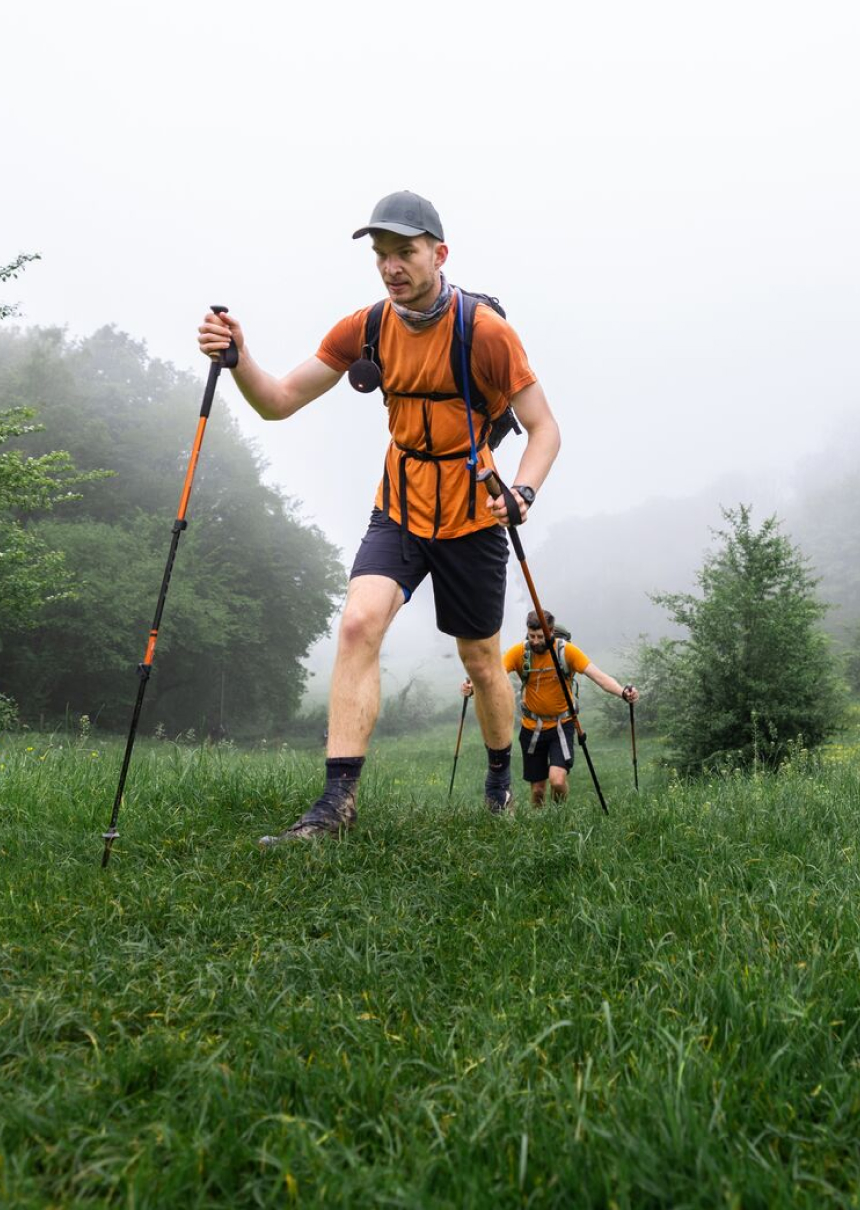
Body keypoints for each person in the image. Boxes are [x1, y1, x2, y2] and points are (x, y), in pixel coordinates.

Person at [198, 191, 561, 841]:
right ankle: (336, 805)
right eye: (381, 255)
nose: (391, 267)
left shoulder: (485, 332)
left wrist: (524, 494)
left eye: (405, 252)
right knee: (359, 623)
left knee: (481, 661)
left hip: (474, 516)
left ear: (438, 253)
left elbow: (544, 430)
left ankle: (501, 780)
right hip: (398, 508)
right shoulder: (365, 328)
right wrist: (237, 359)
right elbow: (278, 401)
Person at [462, 610, 639, 807]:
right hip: (531, 727)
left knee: (557, 781)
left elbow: (599, 677)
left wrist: (623, 692)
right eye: (531, 636)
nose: (536, 641)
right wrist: (472, 689)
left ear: (551, 631)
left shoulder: (567, 652)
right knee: (537, 789)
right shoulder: (520, 653)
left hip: (561, 726)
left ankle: (558, 815)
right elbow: (491, 678)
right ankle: (541, 826)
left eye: (540, 636)